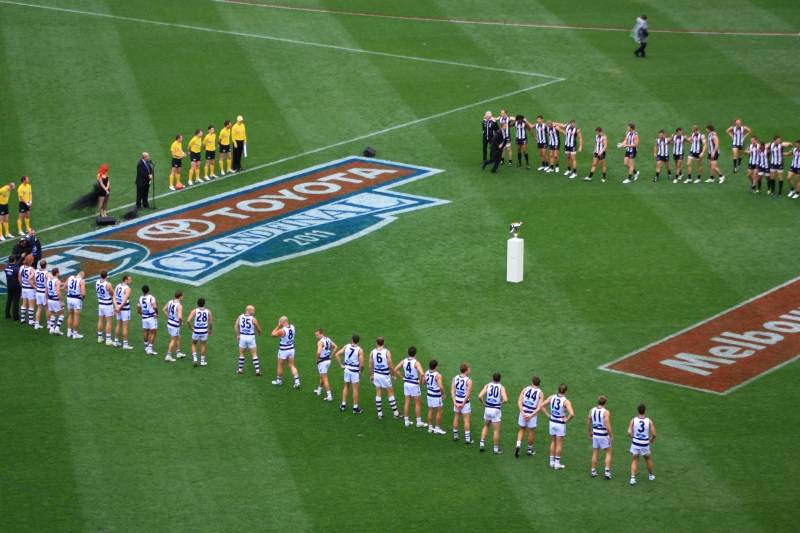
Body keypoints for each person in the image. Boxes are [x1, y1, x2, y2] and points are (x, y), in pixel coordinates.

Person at [542, 383, 574, 469]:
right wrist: (566, 420)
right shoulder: (566, 401)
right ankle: (557, 463)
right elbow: (572, 414)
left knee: (553, 442)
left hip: (552, 421)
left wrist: (548, 415)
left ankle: (551, 462)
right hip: (560, 423)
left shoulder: (551, 397)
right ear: (565, 391)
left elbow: (542, 405)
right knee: (559, 444)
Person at [369, 337, 401, 419]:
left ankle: (380, 414)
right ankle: (396, 414)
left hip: (376, 373)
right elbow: (390, 364)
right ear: (384, 342)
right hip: (385, 374)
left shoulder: (372, 352)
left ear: (376, 342)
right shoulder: (386, 352)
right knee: (390, 393)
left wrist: (371, 375)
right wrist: (393, 375)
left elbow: (370, 365)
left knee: (378, 392)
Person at [395, 346, 427, 427]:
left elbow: (396, 369)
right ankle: (419, 422)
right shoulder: (416, 362)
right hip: (413, 383)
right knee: (417, 403)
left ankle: (406, 421)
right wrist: (420, 380)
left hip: (406, 383)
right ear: (415, 353)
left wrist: (402, 377)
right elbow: (422, 373)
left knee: (407, 402)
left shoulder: (404, 361)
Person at [478, 372, 507, 454]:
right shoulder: (501, 387)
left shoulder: (488, 385)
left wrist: (483, 403)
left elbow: (479, 396)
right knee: (496, 431)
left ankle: (482, 443)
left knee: (486, 426)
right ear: (500, 379)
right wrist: (501, 402)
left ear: (493, 378)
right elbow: (506, 399)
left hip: (487, 408)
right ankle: (495, 449)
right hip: (495, 410)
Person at [628, 403, 656, 485]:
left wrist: (633, 436)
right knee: (648, 459)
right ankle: (651, 476)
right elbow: (654, 434)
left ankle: (632, 479)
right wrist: (651, 439)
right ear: (645, 411)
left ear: (638, 411)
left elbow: (629, 433)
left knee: (635, 460)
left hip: (635, 443)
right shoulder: (649, 421)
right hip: (644, 443)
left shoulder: (633, 420)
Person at [334, 334, 364, 413]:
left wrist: (341, 365)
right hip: (354, 371)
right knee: (355, 390)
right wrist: (361, 371)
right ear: (358, 341)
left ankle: (343, 405)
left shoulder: (346, 346)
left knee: (346, 387)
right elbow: (362, 364)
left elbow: (337, 355)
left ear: (352, 339)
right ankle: (355, 408)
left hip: (347, 369)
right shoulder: (359, 350)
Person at [515, 376, 543, 458]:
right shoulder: (540, 393)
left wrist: (523, 412)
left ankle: (518, 445)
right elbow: (539, 407)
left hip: (523, 411)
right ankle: (529, 450)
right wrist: (530, 415)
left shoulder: (525, 389)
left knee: (521, 429)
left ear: (532, 382)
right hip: (532, 414)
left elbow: (519, 402)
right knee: (531, 432)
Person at [271, 316, 300, 387]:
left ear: (281, 322)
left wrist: (278, 326)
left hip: (283, 350)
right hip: (291, 349)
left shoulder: (282, 330)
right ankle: (297, 381)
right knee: (291, 365)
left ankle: (279, 381)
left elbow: (273, 334)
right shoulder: (293, 327)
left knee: (280, 366)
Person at [588, 396, 613, 480]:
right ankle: (607, 472)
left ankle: (593, 470)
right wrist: (611, 436)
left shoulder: (592, 410)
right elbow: (607, 425)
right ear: (605, 403)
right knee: (608, 452)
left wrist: (590, 432)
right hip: (603, 434)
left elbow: (588, 422)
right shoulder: (606, 412)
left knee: (595, 453)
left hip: (595, 434)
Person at [235, 306, 262, 375]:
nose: (254, 312)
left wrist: (238, 335)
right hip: (251, 337)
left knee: (242, 354)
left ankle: (240, 369)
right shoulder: (253, 319)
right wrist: (259, 333)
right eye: (253, 310)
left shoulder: (240, 317)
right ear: (249, 310)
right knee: (254, 354)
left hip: (242, 337)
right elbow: (258, 328)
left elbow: (235, 327)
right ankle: (257, 370)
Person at [451, 364, 474, 444]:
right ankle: (467, 439)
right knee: (466, 420)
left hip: (457, 401)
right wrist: (463, 404)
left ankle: (455, 436)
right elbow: (468, 394)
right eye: (469, 368)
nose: (470, 369)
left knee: (456, 418)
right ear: (466, 370)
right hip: (465, 403)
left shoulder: (455, 378)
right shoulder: (468, 381)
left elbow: (452, 391)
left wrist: (454, 402)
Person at [187, 298, 212, 367]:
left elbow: (188, 321)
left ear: (198, 304)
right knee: (203, 345)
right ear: (204, 303)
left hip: (196, 330)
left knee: (193, 344)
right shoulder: (208, 312)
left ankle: (195, 359)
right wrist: (210, 330)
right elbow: (210, 323)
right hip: (204, 331)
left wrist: (191, 327)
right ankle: (202, 361)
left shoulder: (194, 311)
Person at [313, 329, 337, 400]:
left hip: (322, 361)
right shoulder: (328, 339)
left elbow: (318, 352)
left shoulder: (320, 342)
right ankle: (319, 390)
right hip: (328, 360)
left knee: (325, 378)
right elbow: (335, 347)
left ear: (321, 333)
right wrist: (330, 356)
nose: (316, 336)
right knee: (322, 376)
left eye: (317, 335)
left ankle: (329, 396)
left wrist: (317, 360)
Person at [424, 360, 446, 434]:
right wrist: (444, 394)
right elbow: (441, 386)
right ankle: (437, 428)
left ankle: (430, 428)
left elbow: (424, 382)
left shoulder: (426, 372)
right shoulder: (438, 375)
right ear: (436, 366)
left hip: (429, 394)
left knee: (430, 410)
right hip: (436, 395)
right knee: (439, 411)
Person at [163, 291, 185, 362]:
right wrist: (180, 323)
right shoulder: (179, 306)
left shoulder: (170, 301)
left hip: (170, 323)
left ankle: (178, 353)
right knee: (174, 339)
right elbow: (180, 317)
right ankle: (168, 355)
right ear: (180, 297)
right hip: (175, 325)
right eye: (182, 296)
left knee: (177, 337)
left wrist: (169, 317)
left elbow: (164, 310)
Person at [96, 270, 116, 345]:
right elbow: (113, 293)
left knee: (100, 320)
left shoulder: (97, 282)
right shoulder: (108, 284)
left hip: (100, 303)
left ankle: (99, 337)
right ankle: (108, 339)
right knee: (109, 321)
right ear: (106, 275)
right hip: (107, 304)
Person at [113, 275, 134, 350]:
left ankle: (116, 341)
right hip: (124, 309)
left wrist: (116, 307)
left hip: (118, 308)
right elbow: (124, 301)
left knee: (118, 325)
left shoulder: (118, 286)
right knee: (125, 327)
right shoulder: (127, 288)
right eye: (129, 279)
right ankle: (125, 344)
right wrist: (120, 308)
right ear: (125, 280)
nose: (130, 281)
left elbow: (114, 297)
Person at [64, 271, 86, 339]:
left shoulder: (70, 277)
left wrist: (71, 293)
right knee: (76, 317)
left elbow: (63, 288)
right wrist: (82, 299)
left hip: (69, 298)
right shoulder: (81, 281)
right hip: (76, 300)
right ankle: (75, 334)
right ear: (82, 275)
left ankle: (69, 332)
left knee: (70, 315)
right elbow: (83, 293)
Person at [137, 285, 158, 355]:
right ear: (149, 290)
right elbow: (155, 307)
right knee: (154, 332)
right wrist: (156, 313)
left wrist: (144, 313)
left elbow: (138, 311)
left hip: (144, 317)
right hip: (151, 317)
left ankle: (146, 347)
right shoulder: (151, 298)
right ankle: (150, 348)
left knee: (146, 332)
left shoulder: (140, 298)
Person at [46, 267, 64, 334]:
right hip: (55, 299)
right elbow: (58, 292)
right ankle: (57, 328)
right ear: (57, 273)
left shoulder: (49, 280)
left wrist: (46, 299)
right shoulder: (57, 281)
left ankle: (51, 329)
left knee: (53, 314)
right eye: (59, 271)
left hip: (50, 299)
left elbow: (46, 290)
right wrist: (61, 301)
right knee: (62, 314)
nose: (59, 272)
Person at [18, 254, 35, 326]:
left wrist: (22, 285)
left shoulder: (21, 267)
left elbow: (19, 278)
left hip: (24, 288)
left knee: (24, 303)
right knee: (31, 305)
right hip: (30, 289)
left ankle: (22, 318)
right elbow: (33, 280)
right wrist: (34, 286)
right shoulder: (32, 270)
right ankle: (30, 320)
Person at [33, 259, 49, 329]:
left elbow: (31, 278)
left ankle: (36, 324)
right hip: (43, 292)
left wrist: (35, 286)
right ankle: (49, 324)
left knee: (39, 308)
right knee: (47, 309)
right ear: (46, 265)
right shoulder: (47, 273)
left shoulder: (36, 271)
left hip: (38, 291)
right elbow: (49, 284)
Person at [4, 255, 21, 320]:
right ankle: (15, 316)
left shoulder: (6, 267)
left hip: (9, 285)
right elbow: (19, 277)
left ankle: (7, 314)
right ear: (15, 260)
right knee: (15, 301)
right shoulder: (17, 269)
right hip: (16, 286)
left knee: (9, 299)